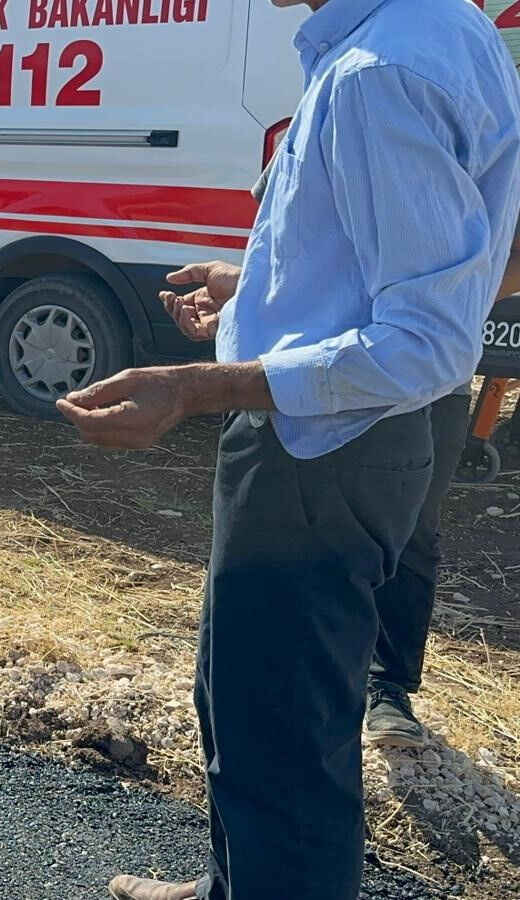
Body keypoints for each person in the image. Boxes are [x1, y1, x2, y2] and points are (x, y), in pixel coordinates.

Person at [54, 0, 520, 895]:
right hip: (353, 438)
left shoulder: (376, 72)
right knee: (255, 705)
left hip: (325, 449)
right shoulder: (439, 24)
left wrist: (196, 388)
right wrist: (263, 289)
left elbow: (424, 342)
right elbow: (431, 257)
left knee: (279, 740)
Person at [155, 232, 520, 751]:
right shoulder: (300, 149)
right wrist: (249, 307)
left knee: (409, 535)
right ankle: (294, 718)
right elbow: (303, 250)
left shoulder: (479, 149)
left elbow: (513, 256)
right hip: (299, 374)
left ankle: (386, 686)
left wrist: (424, 309)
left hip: (420, 383)